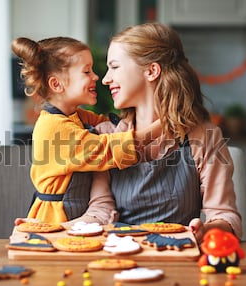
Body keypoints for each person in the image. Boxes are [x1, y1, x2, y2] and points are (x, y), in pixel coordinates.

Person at [69, 22, 242, 243]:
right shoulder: (106, 136)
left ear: (151, 71)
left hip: (178, 257)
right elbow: (101, 209)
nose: (105, 79)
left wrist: (207, 230)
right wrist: (63, 229)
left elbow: (225, 215)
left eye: (114, 67)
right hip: (119, 258)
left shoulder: (204, 136)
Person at [11, 36, 161, 224]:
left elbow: (112, 127)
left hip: (75, 216)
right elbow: (109, 148)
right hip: (55, 220)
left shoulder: (76, 116)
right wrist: (163, 125)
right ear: (56, 84)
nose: (96, 77)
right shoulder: (54, 129)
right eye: (86, 71)